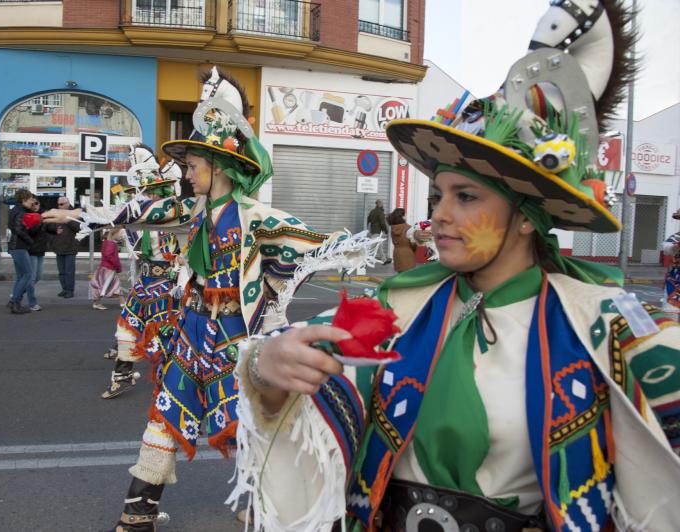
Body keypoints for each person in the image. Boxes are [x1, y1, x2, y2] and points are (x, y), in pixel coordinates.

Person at [230, 4, 680, 531]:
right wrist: (267, 365)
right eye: (439, 194)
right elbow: (294, 368)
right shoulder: (399, 307)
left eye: (465, 196)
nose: (439, 214)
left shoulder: (602, 323)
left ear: (527, 218)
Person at [43, 66, 368, 532]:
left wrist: (378, 240)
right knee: (164, 418)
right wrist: (79, 213)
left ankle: (268, 507)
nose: (187, 174)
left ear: (219, 167)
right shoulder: (192, 210)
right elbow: (140, 212)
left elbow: (317, 241)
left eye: (193, 166)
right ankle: (137, 515)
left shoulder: (256, 217)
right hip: (190, 331)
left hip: (236, 339)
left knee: (250, 426)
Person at [101, 148, 183, 400]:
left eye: (153, 190)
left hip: (165, 283)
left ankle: (172, 383)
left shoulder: (174, 215)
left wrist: (181, 260)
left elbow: (186, 249)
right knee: (126, 330)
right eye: (144, 190)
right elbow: (111, 234)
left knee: (163, 334)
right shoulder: (134, 213)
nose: (148, 195)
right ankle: (122, 377)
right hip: (143, 282)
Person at [6, 188, 37, 314]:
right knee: (28, 274)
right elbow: (19, 230)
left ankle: (13, 301)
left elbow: (14, 227)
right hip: (19, 246)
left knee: (21, 276)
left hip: (15, 246)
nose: (32, 202)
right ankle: (15, 303)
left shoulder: (16, 209)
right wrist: (30, 241)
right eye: (30, 199)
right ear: (24, 199)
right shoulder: (20, 211)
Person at [26, 198, 52, 312]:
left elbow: (47, 228)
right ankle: (32, 303)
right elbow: (31, 231)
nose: (35, 205)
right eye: (33, 203)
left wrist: (55, 230)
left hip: (40, 249)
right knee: (31, 278)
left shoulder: (43, 215)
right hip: (31, 250)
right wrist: (39, 221)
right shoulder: (28, 215)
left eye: (37, 203)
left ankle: (17, 292)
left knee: (38, 276)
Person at [51, 196, 81, 298]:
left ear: (67, 204)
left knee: (69, 271)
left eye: (62, 204)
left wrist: (67, 219)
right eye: (58, 204)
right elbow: (51, 227)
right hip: (58, 246)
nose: (59, 206)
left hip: (70, 246)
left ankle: (70, 290)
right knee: (61, 271)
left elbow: (78, 228)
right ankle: (64, 289)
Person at [90, 227, 125, 310]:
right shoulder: (111, 244)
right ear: (115, 234)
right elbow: (110, 256)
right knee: (114, 285)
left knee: (100, 285)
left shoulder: (107, 242)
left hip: (105, 267)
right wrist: (118, 266)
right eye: (120, 235)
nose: (121, 237)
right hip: (109, 269)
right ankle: (123, 303)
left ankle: (96, 302)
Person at [662, 209, 680, 321]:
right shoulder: (676, 237)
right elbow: (667, 248)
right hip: (676, 278)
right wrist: (676, 246)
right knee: (671, 314)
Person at [387, 207, 416, 273]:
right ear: (402, 216)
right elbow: (413, 243)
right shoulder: (408, 228)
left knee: (400, 275)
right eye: (405, 215)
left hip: (397, 252)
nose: (406, 216)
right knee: (408, 276)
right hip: (407, 253)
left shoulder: (393, 228)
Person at [367, 199, 391, 264]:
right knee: (371, 246)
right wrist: (386, 230)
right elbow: (382, 223)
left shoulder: (372, 211)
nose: (383, 205)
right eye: (382, 204)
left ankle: (384, 260)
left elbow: (368, 219)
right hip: (377, 231)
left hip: (373, 230)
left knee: (379, 245)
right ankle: (365, 259)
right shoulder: (380, 212)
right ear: (379, 204)